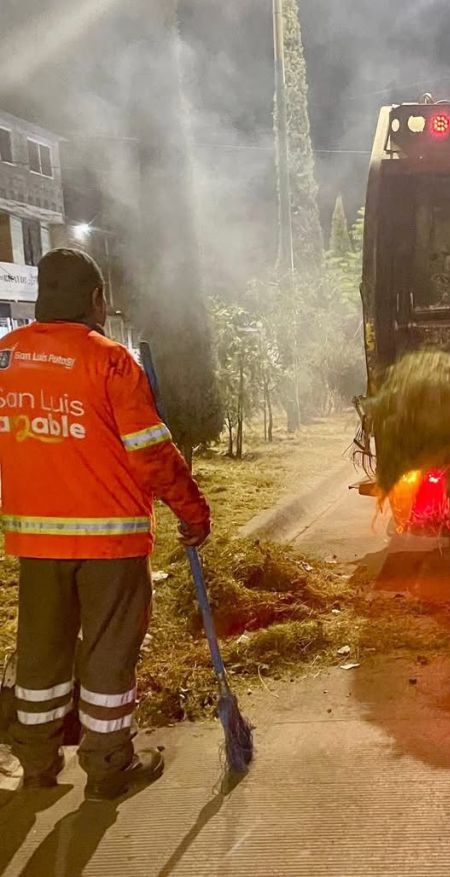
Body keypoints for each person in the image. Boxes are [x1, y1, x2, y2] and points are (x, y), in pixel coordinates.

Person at [0, 248, 211, 800]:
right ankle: (109, 764)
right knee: (109, 651)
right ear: (95, 298)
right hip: (109, 540)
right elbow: (151, 453)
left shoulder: (5, 356)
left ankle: (38, 762)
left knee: (40, 650)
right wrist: (192, 511)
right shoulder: (112, 361)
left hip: (36, 541)